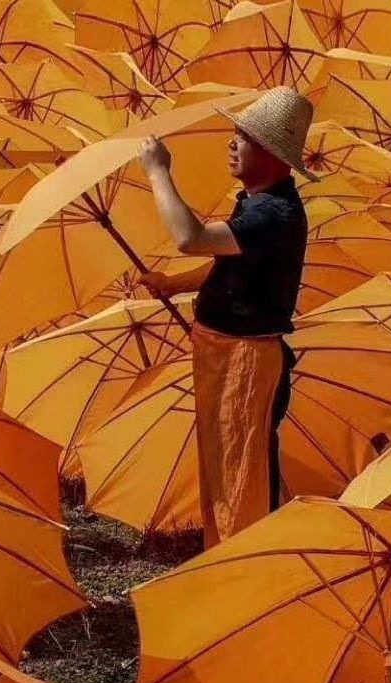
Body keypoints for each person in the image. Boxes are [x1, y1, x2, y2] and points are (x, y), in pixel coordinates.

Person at [137, 86, 318, 548]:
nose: (232, 144)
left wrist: (158, 172)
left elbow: (191, 238)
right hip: (222, 351)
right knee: (222, 462)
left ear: (273, 154)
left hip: (244, 359)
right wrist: (174, 284)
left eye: (245, 138)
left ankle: (242, 561)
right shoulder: (257, 202)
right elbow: (228, 261)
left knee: (240, 473)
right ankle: (223, 553)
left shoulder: (274, 214)